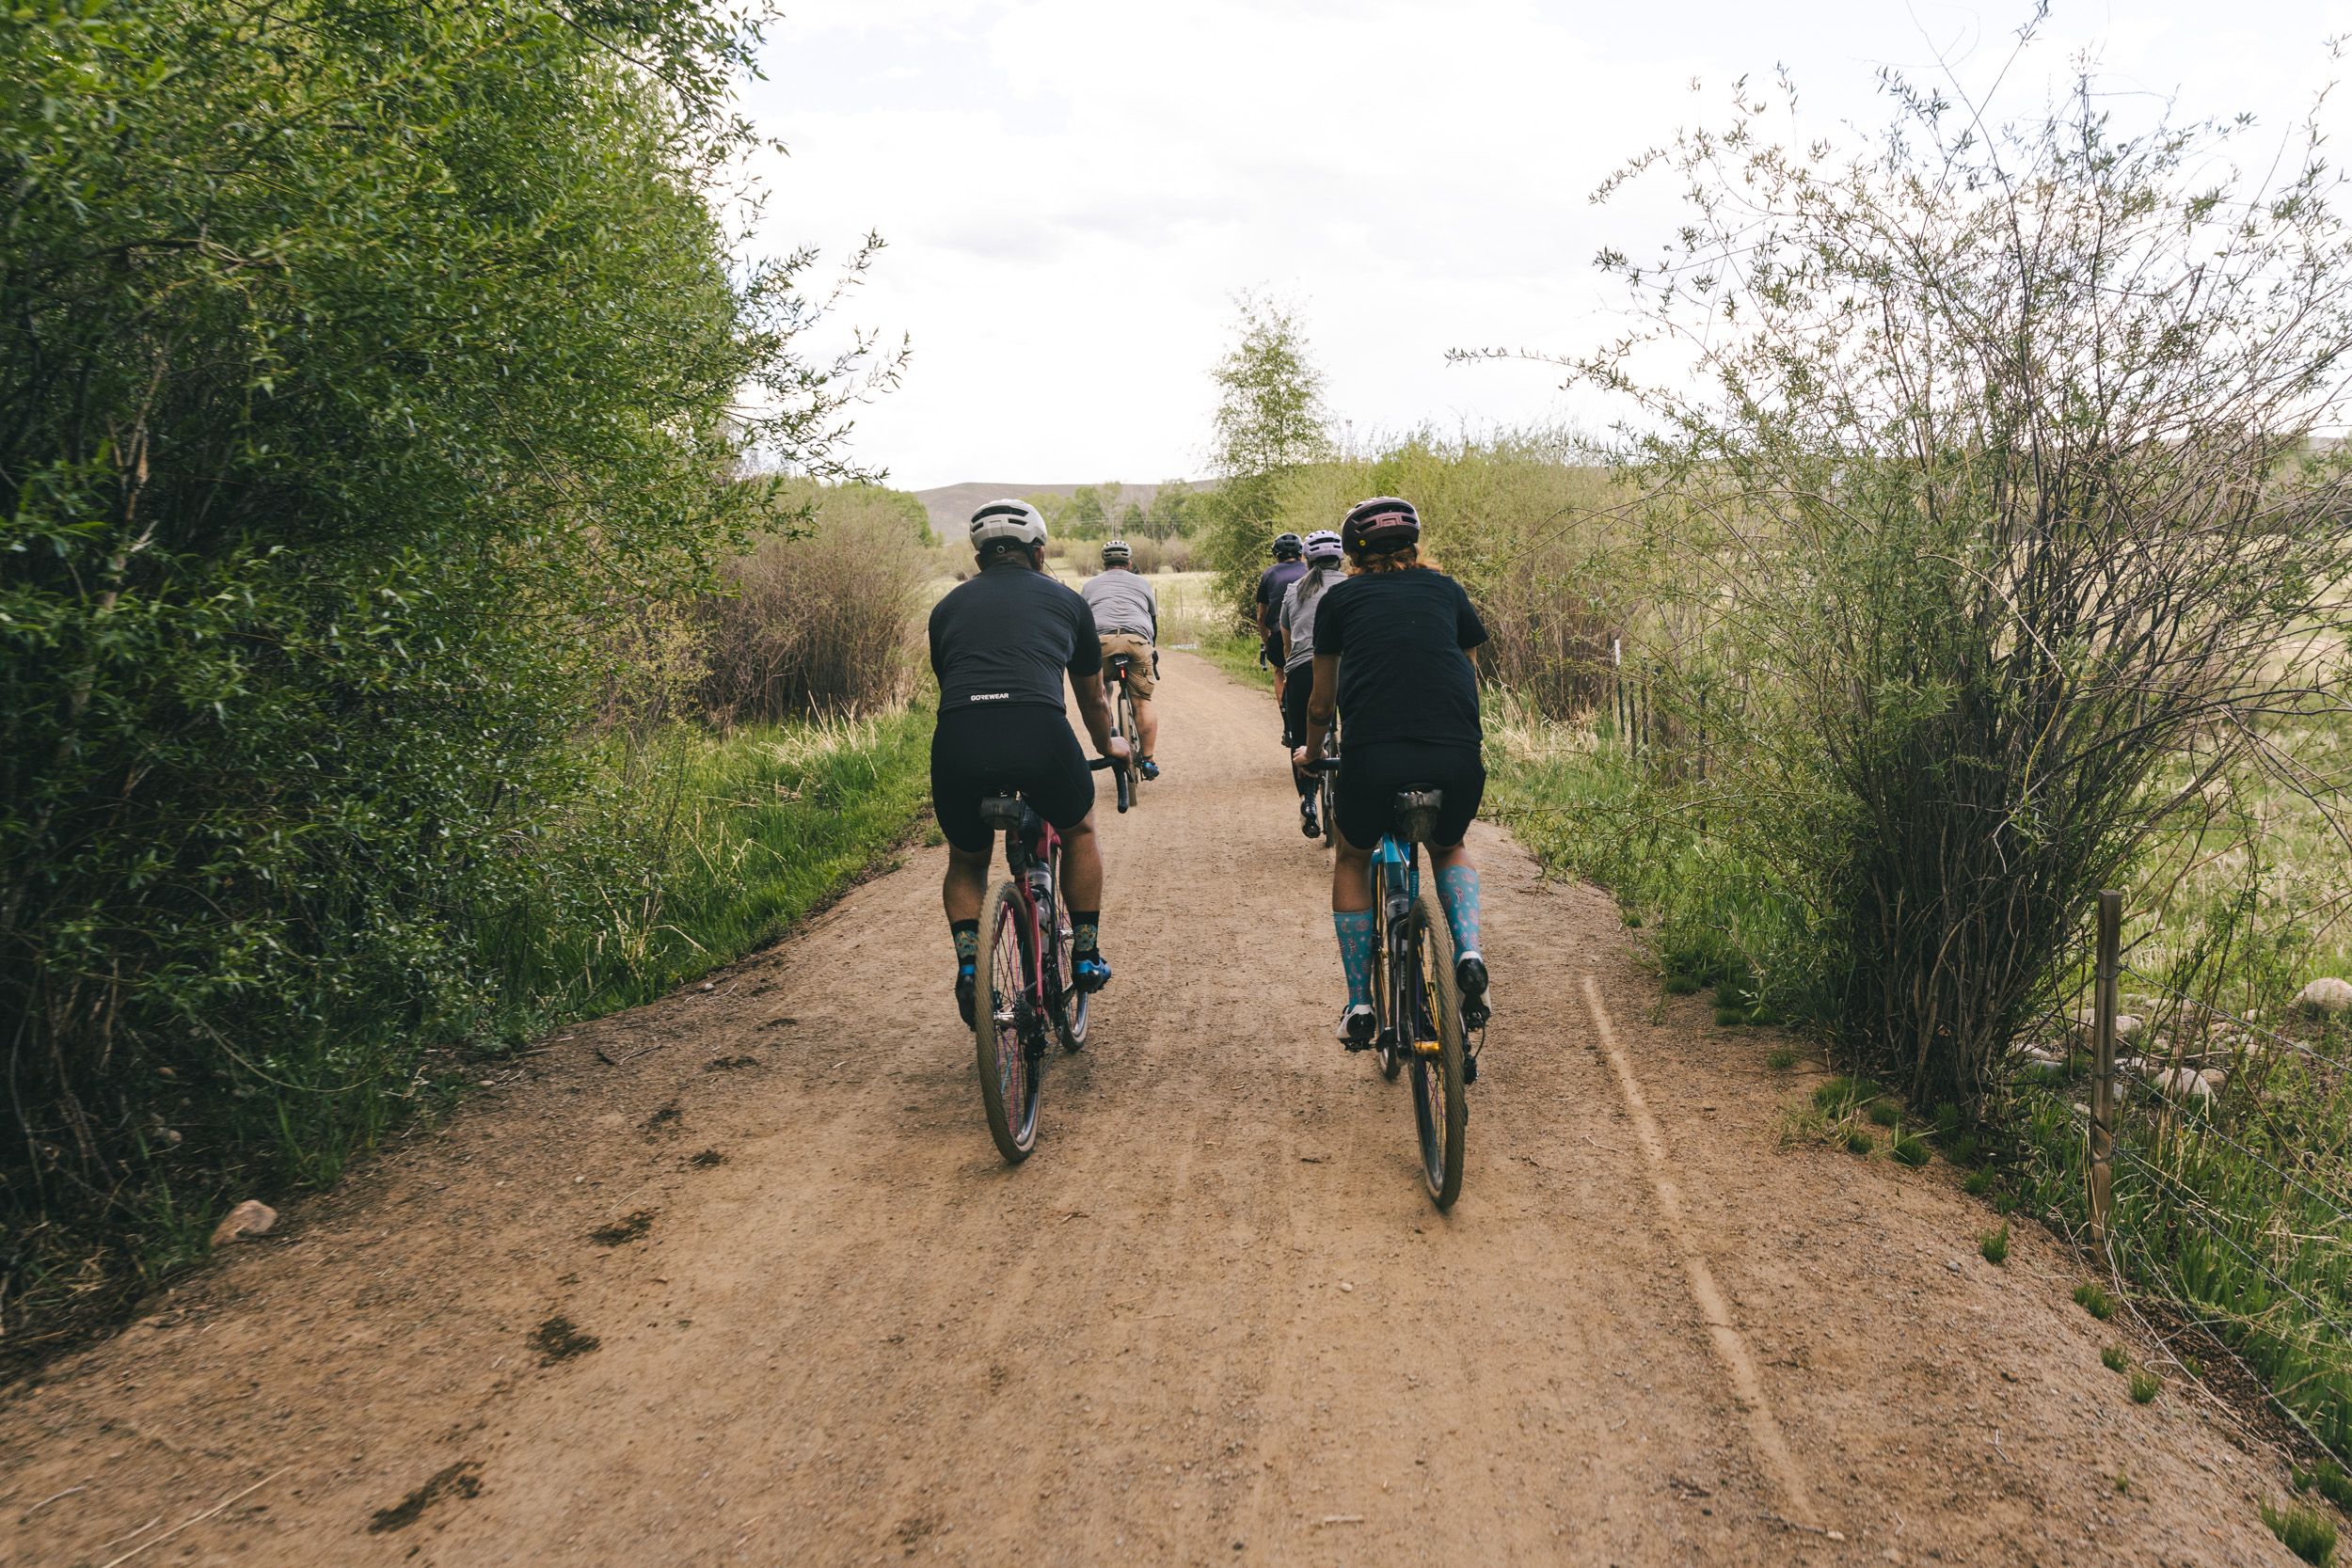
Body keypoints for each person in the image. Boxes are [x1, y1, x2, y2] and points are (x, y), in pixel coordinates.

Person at [1291, 497, 1492, 1046]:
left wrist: (1311, 754)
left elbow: (1320, 706)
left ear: (1355, 553)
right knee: (1448, 846)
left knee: (1352, 856)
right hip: (1454, 753)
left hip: (1374, 759)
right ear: (1414, 543)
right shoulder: (1448, 592)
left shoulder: (1341, 601)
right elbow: (1467, 676)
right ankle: (1469, 950)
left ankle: (1360, 1004)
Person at [929, 499, 1130, 1024]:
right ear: (1039, 553)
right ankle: (1084, 957)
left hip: (959, 738)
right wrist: (1110, 746)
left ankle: (971, 970)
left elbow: (951, 683)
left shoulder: (946, 609)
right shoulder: (1067, 602)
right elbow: (1091, 699)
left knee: (967, 860)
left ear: (980, 561)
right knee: (1081, 829)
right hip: (1038, 733)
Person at [1277, 529, 1345, 837]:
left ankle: (1308, 801)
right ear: (1341, 558)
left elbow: (1288, 642)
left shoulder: (1294, 590)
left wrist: (1292, 669)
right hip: (1348, 668)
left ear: (1306, 560)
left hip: (1305, 669)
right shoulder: (1351, 586)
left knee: (1301, 741)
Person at [1080, 539, 1161, 780]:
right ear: (1130, 563)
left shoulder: (1090, 585)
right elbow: (1153, 622)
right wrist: (1151, 647)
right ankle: (1148, 761)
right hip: (1137, 641)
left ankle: (1111, 732)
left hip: (1101, 643)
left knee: (1102, 692)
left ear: (1104, 563)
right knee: (1142, 701)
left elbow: (1083, 623)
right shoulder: (1142, 583)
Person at [1253, 532, 1308, 703]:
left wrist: (1267, 640)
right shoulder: (1310, 570)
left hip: (1278, 633)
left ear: (1276, 555)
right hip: (1308, 631)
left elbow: (1261, 615)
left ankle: (1287, 720)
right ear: (1301, 553)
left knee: (1279, 670)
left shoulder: (1269, 574)